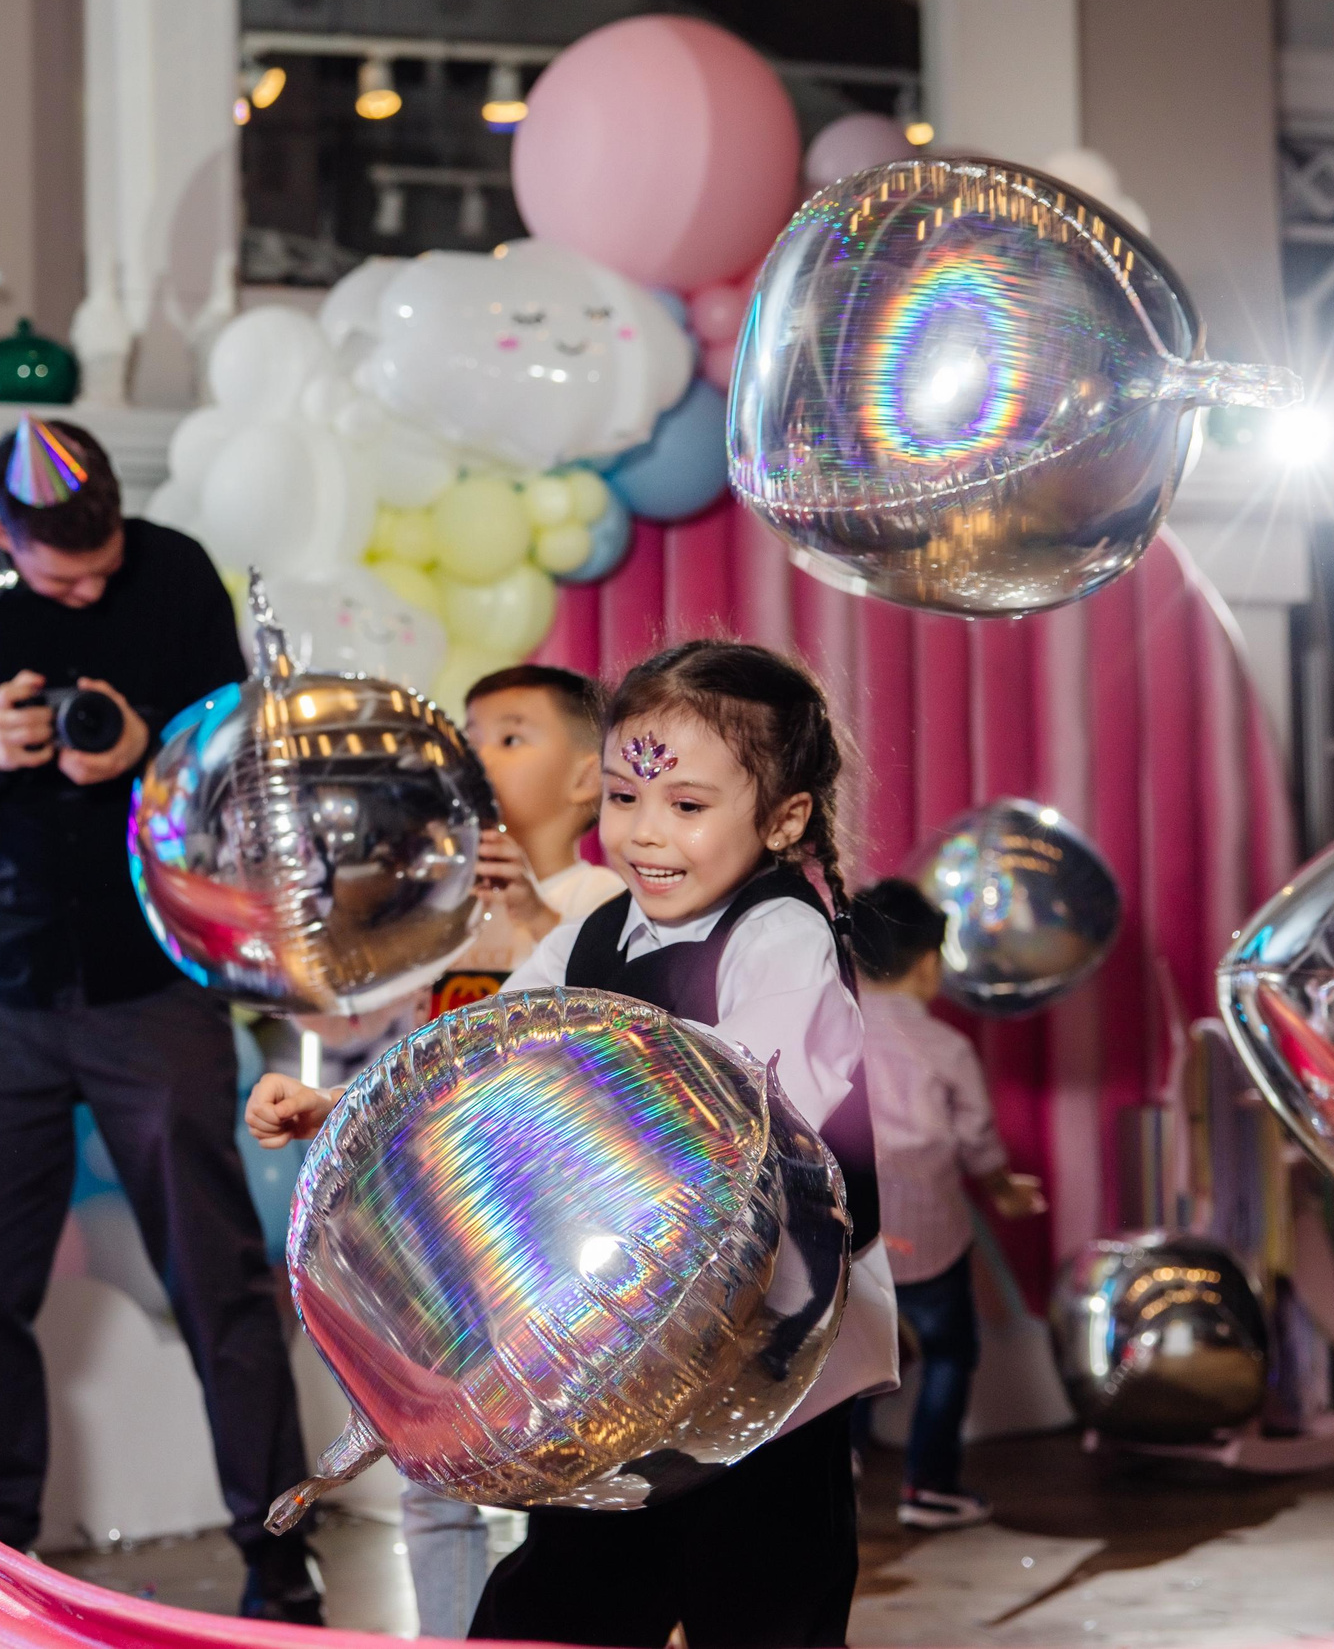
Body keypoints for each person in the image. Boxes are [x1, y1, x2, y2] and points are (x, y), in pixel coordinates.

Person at [254, 639, 898, 1648]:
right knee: (552, 1613)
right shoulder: (594, 936)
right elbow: (471, 1060)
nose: (646, 835)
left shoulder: (781, 935)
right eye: (626, 801)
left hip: (770, 1386)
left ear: (782, 819)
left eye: (686, 807)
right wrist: (342, 1106)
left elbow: (761, 1146)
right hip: (619, 1381)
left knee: (767, 1614)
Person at [0, 415, 323, 1623]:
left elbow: (239, 763)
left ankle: (281, 1559)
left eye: (102, 564)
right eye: (62, 576)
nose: (89, 590)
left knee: (222, 1280)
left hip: (150, 978)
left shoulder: (172, 572)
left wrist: (144, 750)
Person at [249, 661, 623, 1637]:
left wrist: (537, 923)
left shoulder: (606, 893)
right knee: (430, 1468)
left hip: (549, 1232)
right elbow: (359, 1029)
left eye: (509, 736)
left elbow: (611, 1041)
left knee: (579, 1466)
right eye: (469, 737)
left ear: (588, 778)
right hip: (433, 1226)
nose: (475, 756)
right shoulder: (433, 896)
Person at [848, 878, 1047, 1532]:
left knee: (845, 1357)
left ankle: (837, 1461)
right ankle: (929, 1484)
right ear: (930, 962)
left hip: (853, 1234)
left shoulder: (833, 1032)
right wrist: (1005, 1192)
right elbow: (978, 1143)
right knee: (949, 1352)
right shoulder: (947, 1048)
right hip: (929, 1232)